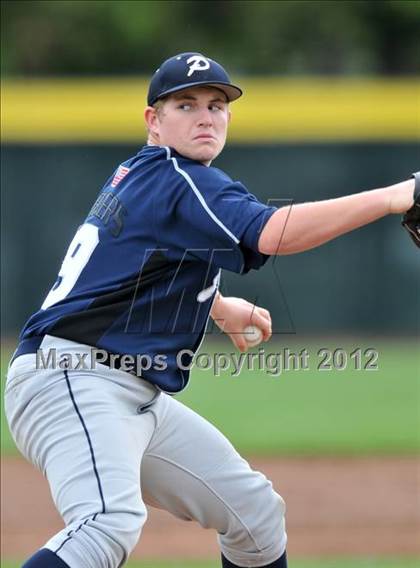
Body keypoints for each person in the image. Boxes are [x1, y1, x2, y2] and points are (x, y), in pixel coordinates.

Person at [5, 52, 415, 568]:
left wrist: (217, 306)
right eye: (186, 104)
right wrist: (394, 196)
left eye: (217, 105)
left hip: (127, 391)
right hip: (74, 378)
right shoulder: (179, 177)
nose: (206, 116)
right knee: (106, 524)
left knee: (255, 514)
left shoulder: (145, 174)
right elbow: (273, 233)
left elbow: (129, 263)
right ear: (154, 121)